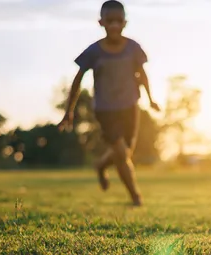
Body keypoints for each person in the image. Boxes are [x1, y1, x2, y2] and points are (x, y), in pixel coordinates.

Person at [58, 0, 160, 206]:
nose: (114, 25)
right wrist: (69, 111)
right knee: (122, 154)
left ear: (125, 23)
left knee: (125, 152)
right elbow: (77, 80)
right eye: (109, 21)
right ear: (101, 22)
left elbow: (143, 74)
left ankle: (101, 165)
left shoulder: (133, 48)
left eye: (118, 21)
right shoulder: (94, 52)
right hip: (106, 111)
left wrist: (150, 99)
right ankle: (135, 197)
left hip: (130, 107)